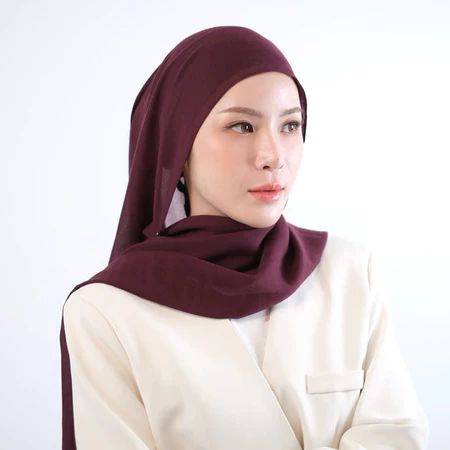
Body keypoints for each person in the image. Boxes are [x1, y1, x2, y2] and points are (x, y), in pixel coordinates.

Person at [60, 25, 430, 450]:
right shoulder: (106, 312)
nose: (273, 156)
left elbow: (398, 435)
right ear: (178, 146)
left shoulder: (349, 271)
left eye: (290, 125)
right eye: (242, 126)